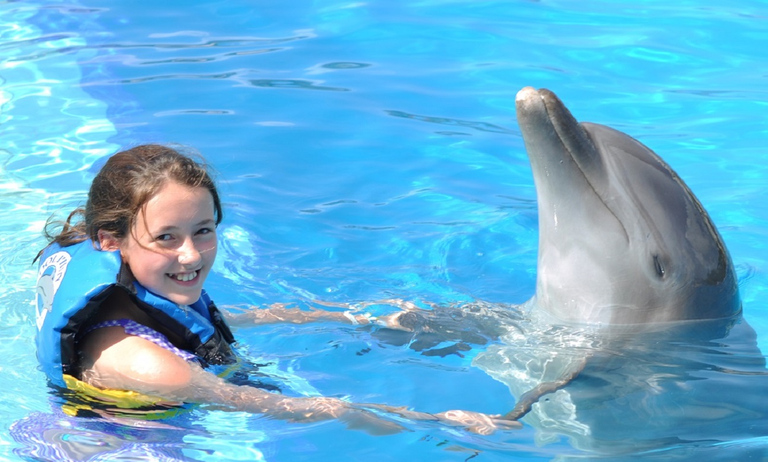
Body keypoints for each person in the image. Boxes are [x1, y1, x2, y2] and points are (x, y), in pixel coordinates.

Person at [35, 144, 518, 434]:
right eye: (166, 237)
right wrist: (436, 421)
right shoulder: (141, 361)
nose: (191, 255)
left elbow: (210, 325)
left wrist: (349, 316)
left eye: (204, 230)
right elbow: (287, 407)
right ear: (109, 240)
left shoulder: (143, 285)